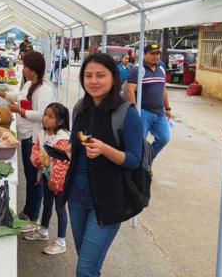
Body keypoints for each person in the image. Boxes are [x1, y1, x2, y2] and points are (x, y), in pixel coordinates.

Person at [64, 53, 144, 277]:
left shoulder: (127, 113)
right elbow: (74, 145)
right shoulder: (81, 108)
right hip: (76, 197)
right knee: (86, 262)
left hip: (108, 200)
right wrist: (66, 149)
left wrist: (105, 149)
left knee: (85, 269)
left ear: (113, 77)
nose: (94, 81)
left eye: (101, 75)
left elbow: (134, 160)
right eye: (88, 75)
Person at [0, 51, 54, 226]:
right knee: (30, 174)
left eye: (25, 66)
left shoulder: (44, 89)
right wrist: (1, 94)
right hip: (25, 135)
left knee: (35, 178)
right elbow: (19, 97)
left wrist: (21, 111)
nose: (23, 69)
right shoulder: (30, 84)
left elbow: (44, 115)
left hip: (34, 138)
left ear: (33, 69)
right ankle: (28, 210)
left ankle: (33, 214)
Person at [26, 102, 72, 255]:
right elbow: (35, 151)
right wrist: (37, 161)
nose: (45, 118)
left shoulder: (63, 139)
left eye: (50, 116)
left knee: (60, 208)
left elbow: (62, 164)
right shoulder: (42, 133)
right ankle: (43, 231)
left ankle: (61, 241)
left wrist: (55, 183)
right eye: (45, 115)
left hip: (59, 182)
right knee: (47, 203)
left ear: (59, 121)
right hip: (46, 176)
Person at [126, 42, 171, 157]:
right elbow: (130, 90)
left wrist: (168, 108)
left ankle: (147, 160)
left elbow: (163, 90)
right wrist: (135, 111)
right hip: (143, 113)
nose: (156, 56)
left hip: (160, 113)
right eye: (152, 54)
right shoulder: (138, 70)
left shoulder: (161, 68)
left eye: (158, 54)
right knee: (139, 142)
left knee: (164, 138)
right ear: (145, 54)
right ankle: (140, 168)